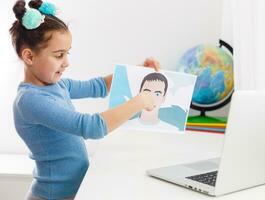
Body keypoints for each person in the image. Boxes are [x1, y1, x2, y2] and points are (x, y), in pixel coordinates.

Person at [9, 1, 160, 199]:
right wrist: (140, 102)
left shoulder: (57, 85)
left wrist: (138, 71)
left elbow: (97, 86)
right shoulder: (30, 101)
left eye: (67, 53)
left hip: (71, 193)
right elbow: (91, 127)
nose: (66, 62)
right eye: (59, 55)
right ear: (29, 56)